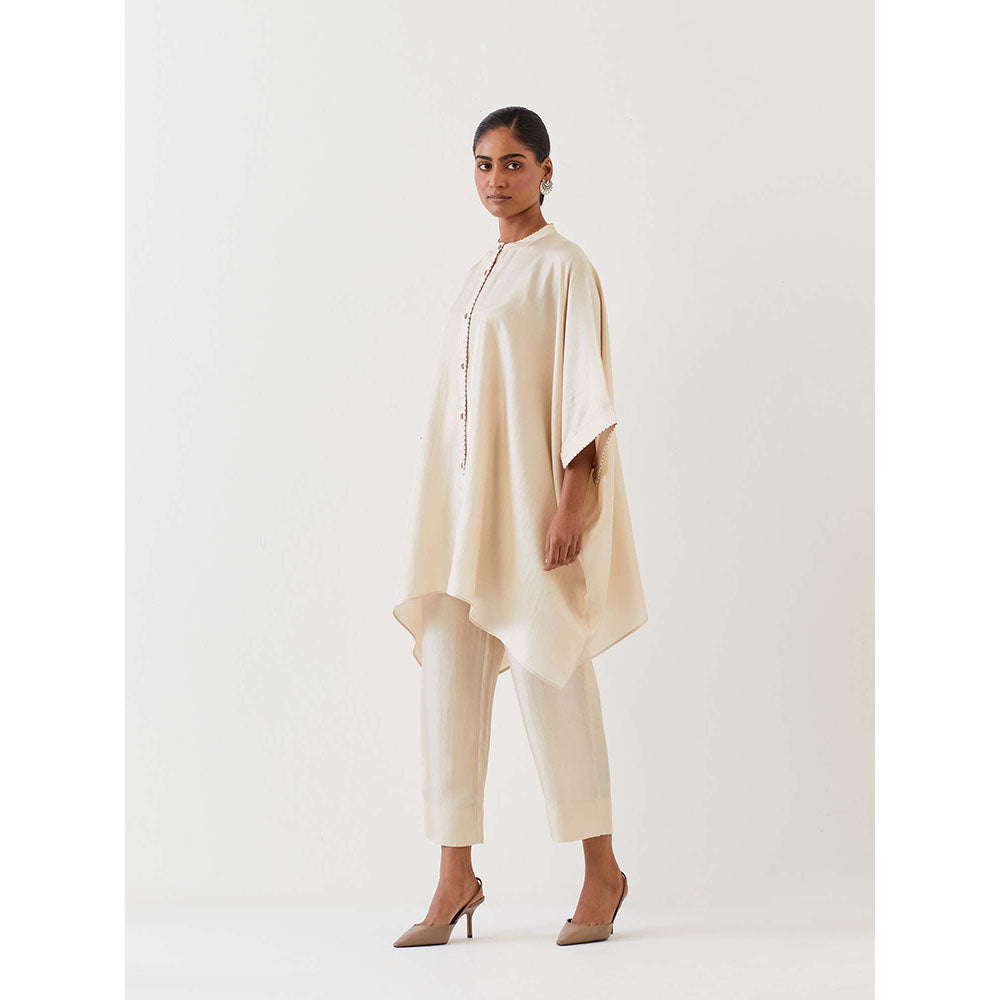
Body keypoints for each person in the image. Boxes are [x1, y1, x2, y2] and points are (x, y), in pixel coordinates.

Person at [391, 106, 647, 948]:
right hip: (459, 514)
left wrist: (572, 501)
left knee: (553, 669)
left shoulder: (564, 267)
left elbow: (582, 391)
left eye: (512, 162)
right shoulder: (477, 275)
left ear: (545, 170)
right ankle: (453, 875)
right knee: (447, 682)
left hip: (531, 509)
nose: (495, 179)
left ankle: (602, 869)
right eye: (483, 164)